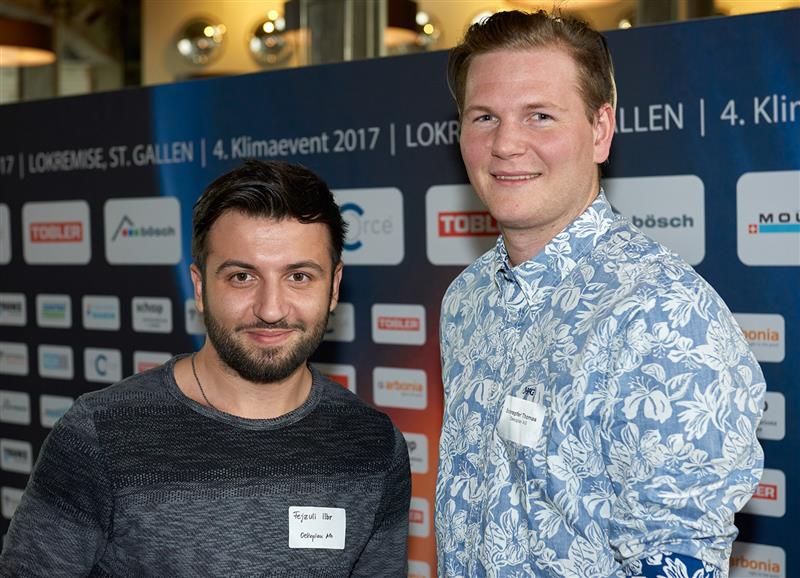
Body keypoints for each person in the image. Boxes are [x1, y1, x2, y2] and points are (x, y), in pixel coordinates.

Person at [435, 10, 764, 578]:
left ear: (600, 130)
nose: (506, 144)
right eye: (484, 117)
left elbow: (677, 558)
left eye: (540, 116)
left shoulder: (662, 314)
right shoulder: (467, 300)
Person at [1, 160, 411, 576]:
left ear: (334, 287)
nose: (271, 309)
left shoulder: (373, 445)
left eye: (299, 277)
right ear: (200, 287)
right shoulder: (100, 434)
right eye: (242, 277)